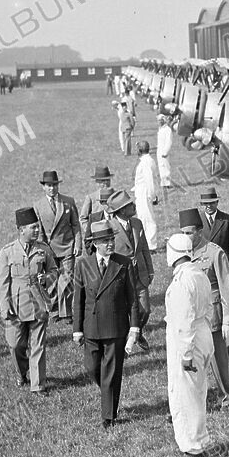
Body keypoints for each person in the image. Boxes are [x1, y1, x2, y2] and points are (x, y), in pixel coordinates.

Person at [72, 219, 142, 428]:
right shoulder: (83, 264)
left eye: (111, 239)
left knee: (111, 371)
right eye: (105, 240)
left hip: (115, 326)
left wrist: (134, 328)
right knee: (92, 367)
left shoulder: (123, 263)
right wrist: (77, 330)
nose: (110, 243)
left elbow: (133, 299)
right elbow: (78, 299)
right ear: (95, 244)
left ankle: (108, 416)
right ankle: (108, 394)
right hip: (91, 326)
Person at [0, 207, 58, 395]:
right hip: (16, 305)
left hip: (39, 303)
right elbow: (2, 282)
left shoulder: (43, 249)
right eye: (33, 227)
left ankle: (38, 385)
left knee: (38, 345)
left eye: (38, 227)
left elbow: (55, 271)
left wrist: (46, 279)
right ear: (21, 229)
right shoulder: (7, 251)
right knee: (16, 345)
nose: (38, 230)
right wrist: (5, 307)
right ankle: (22, 373)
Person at [164, 233, 215, 457]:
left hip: (190, 342)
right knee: (198, 392)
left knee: (185, 396)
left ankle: (192, 448)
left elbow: (184, 323)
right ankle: (199, 441)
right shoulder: (199, 275)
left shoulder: (182, 283)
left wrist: (185, 355)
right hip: (203, 335)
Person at [180, 208, 229, 407]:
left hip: (214, 317)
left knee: (219, 359)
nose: (186, 237)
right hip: (191, 317)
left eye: (189, 233)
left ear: (199, 231)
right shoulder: (182, 254)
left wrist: (228, 319)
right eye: (183, 233)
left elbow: (226, 286)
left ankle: (226, 395)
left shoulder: (214, 252)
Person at [99, 190, 154, 353]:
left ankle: (136, 331)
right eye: (130, 204)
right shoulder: (110, 227)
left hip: (140, 274)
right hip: (121, 276)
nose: (134, 206)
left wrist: (150, 270)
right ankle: (128, 340)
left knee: (145, 310)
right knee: (123, 311)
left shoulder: (137, 223)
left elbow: (144, 248)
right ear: (122, 210)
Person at [34, 170, 82, 322]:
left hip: (67, 246)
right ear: (43, 187)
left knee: (67, 279)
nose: (52, 188)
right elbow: (39, 230)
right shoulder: (38, 205)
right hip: (49, 249)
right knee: (52, 280)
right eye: (49, 185)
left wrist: (78, 243)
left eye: (54, 185)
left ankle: (66, 313)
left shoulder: (68, 201)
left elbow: (76, 224)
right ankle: (55, 311)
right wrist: (42, 250)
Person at [199, 188, 229, 279]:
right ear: (202, 204)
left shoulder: (228, 220)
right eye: (206, 203)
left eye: (211, 203)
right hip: (203, 265)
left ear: (217, 202)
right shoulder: (197, 221)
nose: (209, 206)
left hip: (224, 263)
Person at [133, 141, 160, 248]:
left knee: (147, 218)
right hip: (141, 192)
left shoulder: (146, 162)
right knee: (142, 217)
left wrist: (152, 196)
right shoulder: (146, 161)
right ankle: (146, 242)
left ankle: (151, 244)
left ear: (140, 150)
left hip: (145, 194)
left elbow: (150, 181)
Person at [79, 165, 112, 245]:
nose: (105, 183)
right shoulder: (91, 198)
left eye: (107, 180)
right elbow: (83, 218)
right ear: (97, 182)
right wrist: (92, 230)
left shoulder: (116, 195)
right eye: (102, 181)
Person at [156, 114, 173, 192]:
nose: (159, 122)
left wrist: (165, 151)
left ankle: (167, 183)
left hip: (164, 151)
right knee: (161, 167)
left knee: (166, 167)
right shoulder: (160, 129)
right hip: (159, 150)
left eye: (160, 120)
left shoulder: (168, 129)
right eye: (158, 120)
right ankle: (163, 183)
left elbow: (169, 142)